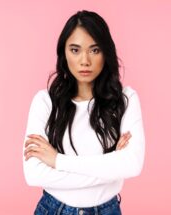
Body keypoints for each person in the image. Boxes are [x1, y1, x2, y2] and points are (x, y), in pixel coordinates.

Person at [23, 10, 145, 215]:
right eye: (75, 50)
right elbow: (34, 175)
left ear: (106, 53)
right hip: (54, 209)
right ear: (64, 53)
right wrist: (111, 165)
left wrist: (57, 161)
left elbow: (132, 165)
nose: (85, 61)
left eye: (95, 50)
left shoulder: (125, 99)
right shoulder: (45, 102)